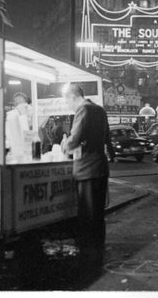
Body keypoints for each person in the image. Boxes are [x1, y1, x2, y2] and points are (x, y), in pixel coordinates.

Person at [61, 83, 114, 272]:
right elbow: (107, 138)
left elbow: (74, 139)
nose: (68, 105)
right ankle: (98, 249)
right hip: (100, 167)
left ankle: (89, 256)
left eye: (67, 101)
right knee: (98, 214)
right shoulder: (99, 110)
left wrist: (64, 146)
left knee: (88, 214)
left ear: (73, 97)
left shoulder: (83, 110)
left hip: (86, 170)